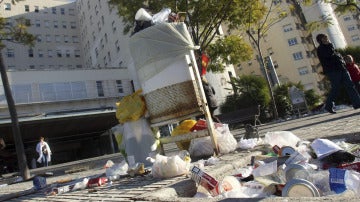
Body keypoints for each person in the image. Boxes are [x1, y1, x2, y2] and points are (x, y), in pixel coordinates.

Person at [316, 33, 360, 114]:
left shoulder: (330, 46)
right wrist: (329, 45)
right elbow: (329, 55)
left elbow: (337, 56)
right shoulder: (321, 49)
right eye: (324, 38)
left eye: (326, 37)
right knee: (336, 88)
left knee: (350, 86)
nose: (326, 39)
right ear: (320, 40)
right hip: (333, 71)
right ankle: (328, 106)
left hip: (342, 69)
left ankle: (357, 103)